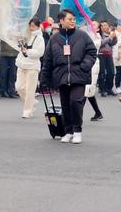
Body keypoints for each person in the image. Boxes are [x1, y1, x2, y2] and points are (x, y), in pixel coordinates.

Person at [41, 9, 97, 144]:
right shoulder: (54, 38)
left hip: (79, 75)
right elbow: (48, 59)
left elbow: (92, 52)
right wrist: (44, 78)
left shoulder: (82, 35)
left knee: (76, 102)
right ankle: (68, 131)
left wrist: (84, 66)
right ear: (61, 21)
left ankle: (77, 131)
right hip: (61, 76)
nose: (73, 21)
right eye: (69, 19)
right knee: (65, 105)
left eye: (74, 19)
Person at [15, 17, 45, 118]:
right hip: (22, 64)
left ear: (38, 26)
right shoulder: (25, 35)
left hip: (32, 66)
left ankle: (27, 111)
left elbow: (40, 52)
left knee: (30, 90)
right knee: (19, 87)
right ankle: (33, 102)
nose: (31, 28)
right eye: (30, 26)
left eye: (34, 26)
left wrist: (27, 52)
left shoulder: (39, 38)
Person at [84, 21, 104, 121]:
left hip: (94, 64)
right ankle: (98, 112)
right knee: (88, 90)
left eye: (94, 25)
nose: (91, 26)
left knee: (88, 88)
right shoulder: (86, 35)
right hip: (86, 63)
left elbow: (92, 45)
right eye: (90, 24)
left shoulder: (98, 37)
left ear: (97, 29)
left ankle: (76, 114)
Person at [97, 21, 117, 96]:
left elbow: (112, 43)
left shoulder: (109, 34)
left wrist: (114, 37)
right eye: (104, 25)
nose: (106, 27)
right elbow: (101, 43)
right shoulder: (98, 35)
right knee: (102, 73)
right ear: (101, 27)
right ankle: (102, 89)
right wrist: (110, 37)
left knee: (111, 72)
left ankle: (109, 88)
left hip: (109, 54)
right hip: (101, 54)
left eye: (106, 25)